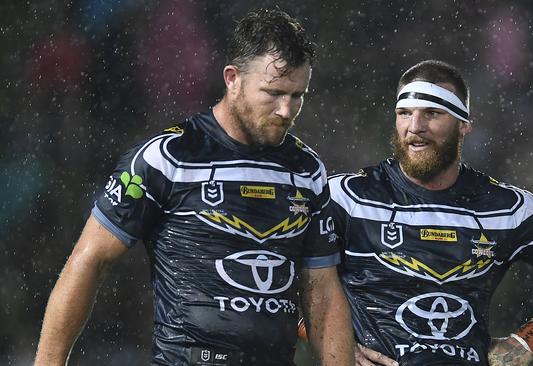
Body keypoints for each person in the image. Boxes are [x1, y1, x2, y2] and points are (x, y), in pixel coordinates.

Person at [34, 9, 354, 366]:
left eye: (298, 96)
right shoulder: (167, 158)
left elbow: (322, 291)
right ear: (232, 78)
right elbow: (90, 260)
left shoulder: (307, 171)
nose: (286, 110)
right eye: (274, 93)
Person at [323, 60, 533, 366]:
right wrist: (332, 344)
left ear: (464, 124)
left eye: (432, 114)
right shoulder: (346, 197)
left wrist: (526, 342)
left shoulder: (507, 209)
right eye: (404, 113)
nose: (414, 127)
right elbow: (277, 267)